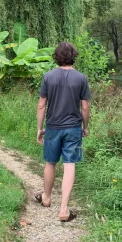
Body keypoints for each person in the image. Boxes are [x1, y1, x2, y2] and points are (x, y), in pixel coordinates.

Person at [34, 42, 90, 222]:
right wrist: (85, 126)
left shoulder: (48, 77)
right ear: (74, 56)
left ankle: (47, 198)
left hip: (53, 127)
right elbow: (85, 107)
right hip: (73, 128)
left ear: (56, 57)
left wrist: (40, 128)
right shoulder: (81, 78)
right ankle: (64, 210)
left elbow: (42, 105)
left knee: (50, 162)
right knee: (69, 164)